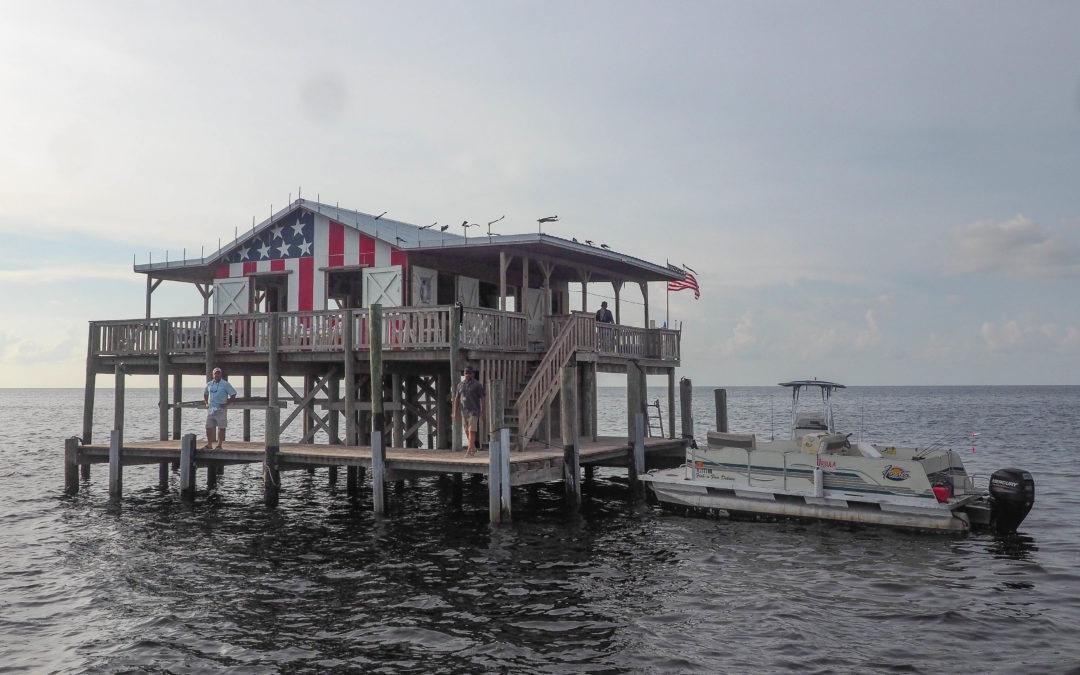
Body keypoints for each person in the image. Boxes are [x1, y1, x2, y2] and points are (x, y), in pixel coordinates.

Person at [453, 366, 486, 457]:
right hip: (464, 412)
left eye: (469, 373)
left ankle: (468, 451)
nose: (467, 375)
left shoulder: (477, 385)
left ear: (472, 374)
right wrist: (455, 412)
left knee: (472, 431)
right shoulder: (460, 385)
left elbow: (483, 397)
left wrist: (483, 411)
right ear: (463, 374)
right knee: (467, 431)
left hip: (474, 411)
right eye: (465, 373)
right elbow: (456, 399)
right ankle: (474, 448)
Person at [203, 367, 237, 450]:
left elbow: (233, 394)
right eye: (215, 373)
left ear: (221, 374)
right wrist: (206, 403)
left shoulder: (225, 384)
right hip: (211, 409)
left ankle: (219, 445)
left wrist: (227, 403)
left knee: (221, 427)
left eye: (218, 373)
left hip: (221, 409)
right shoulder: (209, 384)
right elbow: (205, 393)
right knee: (208, 426)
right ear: (213, 375)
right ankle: (209, 444)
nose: (217, 375)